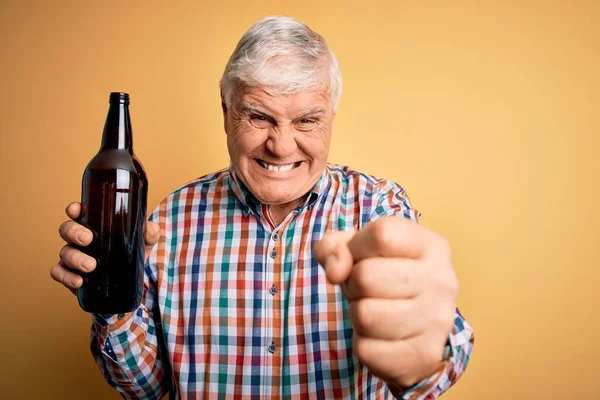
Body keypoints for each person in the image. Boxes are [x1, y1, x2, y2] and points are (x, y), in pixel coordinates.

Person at [51, 15, 474, 399]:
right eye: (259, 117)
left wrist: (421, 359)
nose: (282, 146)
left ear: (331, 116)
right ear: (225, 109)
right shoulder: (170, 221)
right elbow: (146, 390)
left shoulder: (378, 208)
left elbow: (443, 357)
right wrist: (113, 308)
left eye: (307, 120)